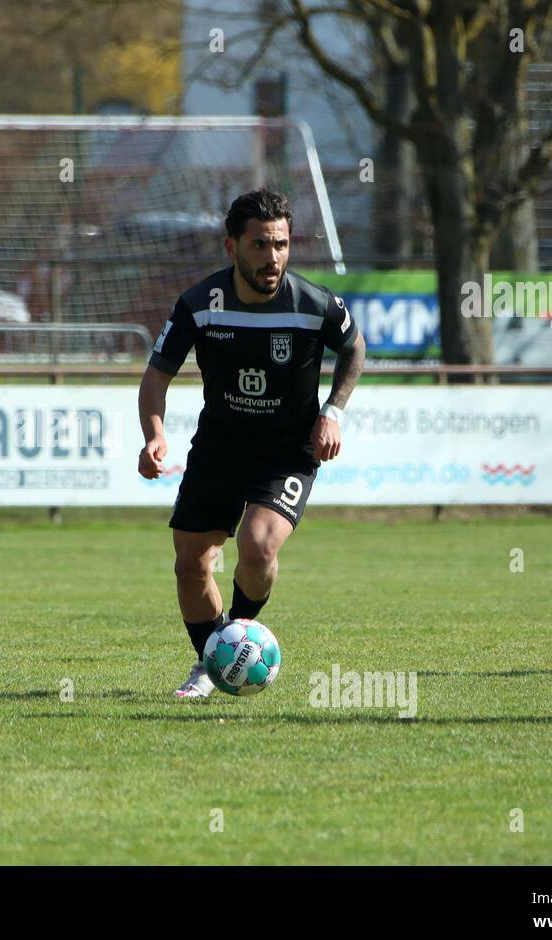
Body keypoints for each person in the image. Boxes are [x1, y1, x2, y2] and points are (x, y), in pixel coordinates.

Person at [137, 189, 366, 697]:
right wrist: (155, 435)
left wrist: (333, 411)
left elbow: (354, 347)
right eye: (260, 245)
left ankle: (232, 645)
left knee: (258, 547)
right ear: (231, 247)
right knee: (191, 564)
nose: (273, 257)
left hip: (287, 451)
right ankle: (212, 660)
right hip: (219, 447)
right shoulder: (199, 305)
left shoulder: (313, 303)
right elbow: (156, 377)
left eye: (281, 244)